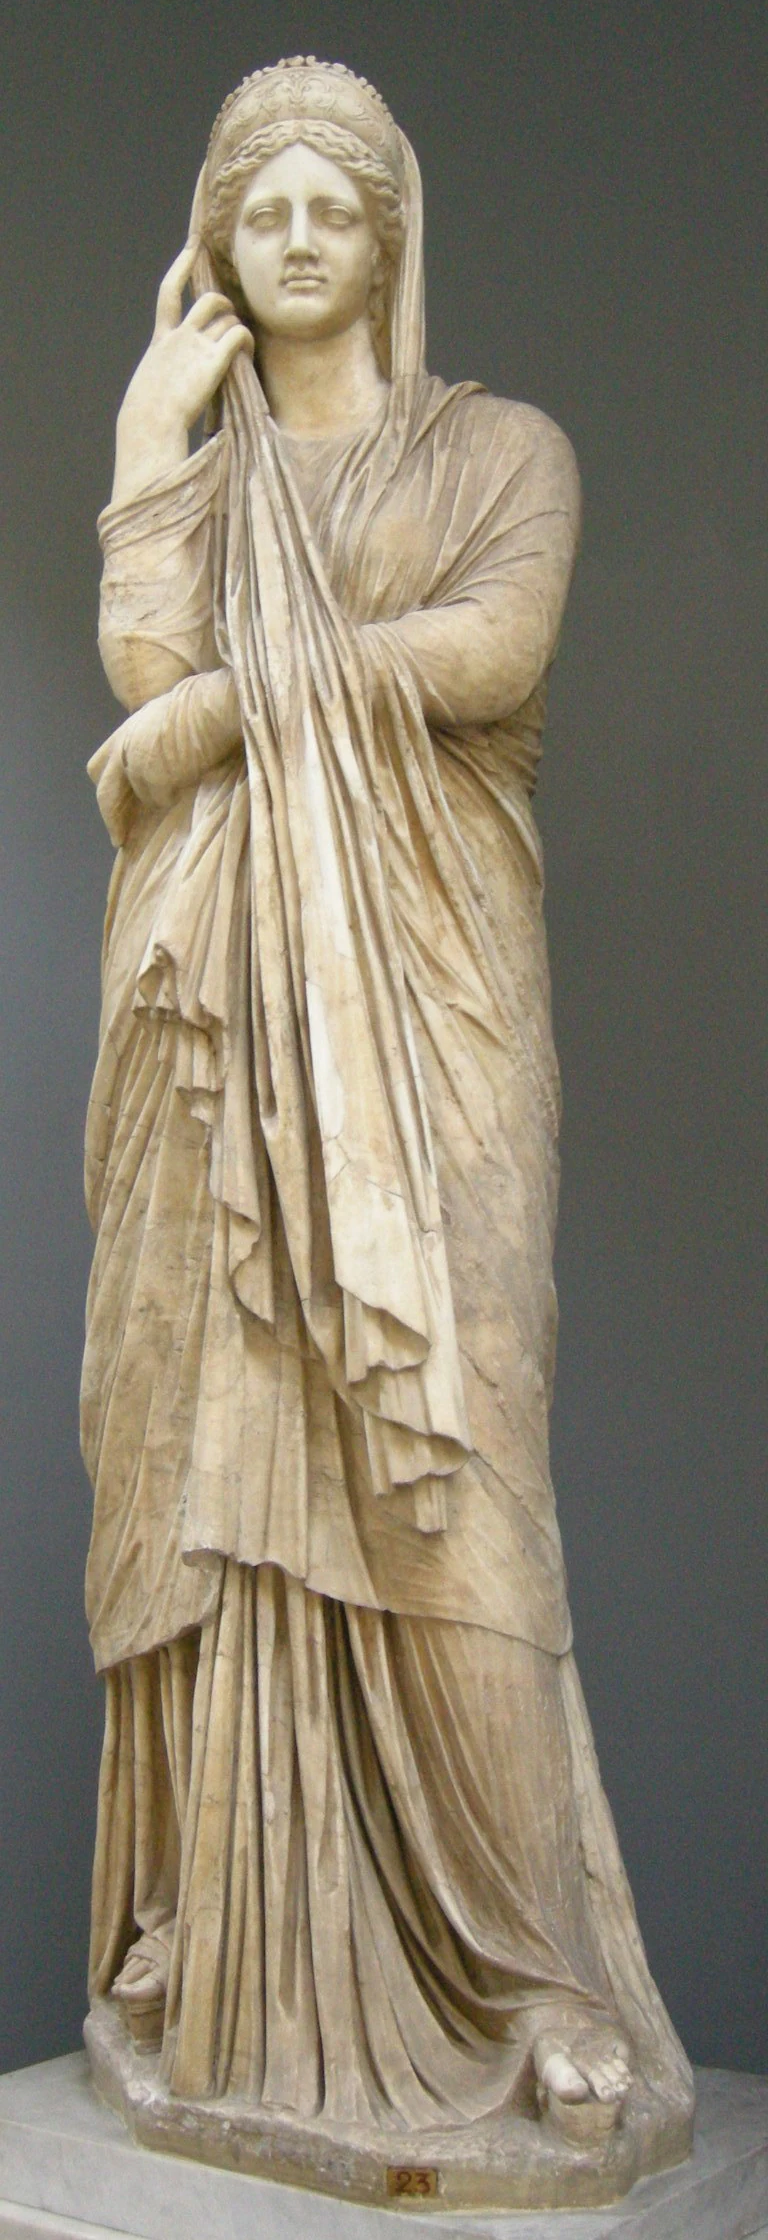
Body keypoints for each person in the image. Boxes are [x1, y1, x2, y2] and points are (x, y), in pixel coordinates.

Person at [83, 56, 692, 2163]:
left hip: (433, 1009)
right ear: (217, 242)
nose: (298, 234)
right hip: (213, 1013)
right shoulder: (203, 470)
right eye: (260, 205)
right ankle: (219, 1949)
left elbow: (491, 651)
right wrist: (145, 447)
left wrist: (220, 716)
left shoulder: (502, 452)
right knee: (208, 1434)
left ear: (392, 232)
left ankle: (536, 1973)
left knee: (459, 1458)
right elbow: (136, 659)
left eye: (335, 202)